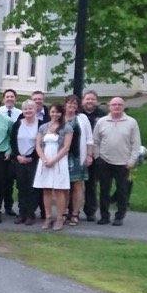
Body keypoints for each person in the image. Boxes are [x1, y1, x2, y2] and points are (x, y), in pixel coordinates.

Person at [92, 96, 142, 226]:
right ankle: (104, 216)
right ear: (109, 107)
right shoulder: (102, 122)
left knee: (122, 191)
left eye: (120, 105)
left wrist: (131, 161)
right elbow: (95, 141)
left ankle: (119, 216)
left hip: (123, 163)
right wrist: (97, 157)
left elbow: (136, 144)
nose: (117, 107)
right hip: (104, 161)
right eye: (114, 105)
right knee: (104, 190)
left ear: (123, 106)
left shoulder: (131, 122)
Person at [33, 104, 73, 230]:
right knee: (46, 189)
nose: (55, 114)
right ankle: (48, 216)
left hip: (59, 161)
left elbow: (66, 147)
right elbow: (38, 145)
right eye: (53, 112)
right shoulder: (43, 127)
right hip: (45, 160)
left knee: (60, 190)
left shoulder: (67, 127)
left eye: (58, 112)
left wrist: (54, 160)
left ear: (62, 113)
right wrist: (44, 159)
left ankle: (60, 217)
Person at [63, 95, 94, 226]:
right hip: (62, 157)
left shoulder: (82, 119)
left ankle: (75, 213)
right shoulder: (59, 118)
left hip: (77, 157)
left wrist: (89, 155)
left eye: (75, 104)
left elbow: (89, 139)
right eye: (70, 104)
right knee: (62, 187)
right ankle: (63, 213)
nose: (72, 106)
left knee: (78, 186)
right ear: (65, 105)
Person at [10, 100, 42, 226]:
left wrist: (32, 157)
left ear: (35, 110)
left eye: (31, 108)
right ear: (22, 111)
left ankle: (30, 214)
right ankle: (21, 212)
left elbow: (40, 143)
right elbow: (13, 141)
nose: (28, 111)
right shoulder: (18, 124)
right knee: (21, 187)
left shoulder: (40, 124)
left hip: (33, 160)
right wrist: (17, 156)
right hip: (19, 160)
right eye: (26, 109)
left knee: (32, 188)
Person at [80, 91, 106, 222]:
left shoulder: (102, 115)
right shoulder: (78, 114)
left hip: (95, 154)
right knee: (75, 184)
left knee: (91, 184)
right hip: (78, 152)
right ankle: (72, 210)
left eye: (92, 99)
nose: (89, 101)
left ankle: (90, 211)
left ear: (96, 101)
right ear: (83, 100)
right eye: (87, 99)